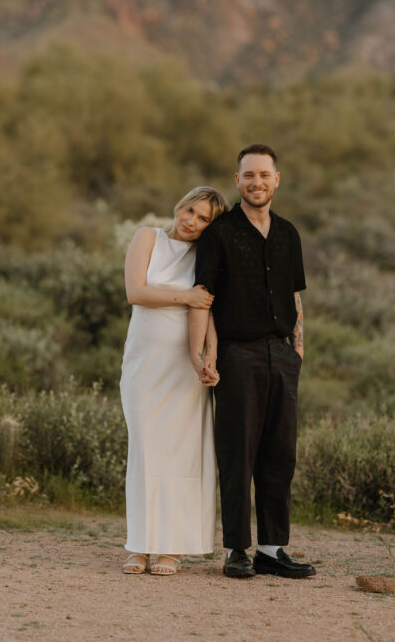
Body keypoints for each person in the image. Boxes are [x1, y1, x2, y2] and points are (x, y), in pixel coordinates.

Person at [193, 144, 316, 579]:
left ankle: (271, 548)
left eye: (264, 175)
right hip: (237, 354)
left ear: (276, 180)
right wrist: (206, 352)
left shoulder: (288, 234)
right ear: (237, 179)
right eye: (248, 175)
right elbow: (203, 299)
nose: (256, 182)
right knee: (237, 453)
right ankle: (235, 550)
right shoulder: (219, 234)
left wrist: (297, 350)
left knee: (280, 453)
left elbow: (295, 296)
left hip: (282, 355)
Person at [120, 185, 229, 576]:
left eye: (203, 220)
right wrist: (187, 298)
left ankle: (171, 548)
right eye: (190, 212)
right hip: (144, 365)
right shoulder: (147, 237)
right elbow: (136, 292)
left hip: (184, 368)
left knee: (181, 455)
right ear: (180, 206)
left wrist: (209, 355)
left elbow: (210, 310)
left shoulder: (205, 255)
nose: (192, 223)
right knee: (145, 451)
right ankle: (140, 545)